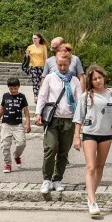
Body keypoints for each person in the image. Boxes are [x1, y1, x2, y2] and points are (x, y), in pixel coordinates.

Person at [73, 65, 112, 216]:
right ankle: (93, 201)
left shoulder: (111, 96)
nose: (97, 80)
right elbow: (78, 118)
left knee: (100, 166)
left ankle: (90, 195)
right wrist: (77, 136)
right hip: (89, 134)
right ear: (91, 80)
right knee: (91, 166)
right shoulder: (86, 96)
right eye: (94, 79)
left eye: (99, 77)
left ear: (104, 77)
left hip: (106, 135)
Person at [35, 49, 82, 194]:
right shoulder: (50, 77)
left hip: (69, 119)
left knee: (63, 151)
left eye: (65, 65)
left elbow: (80, 101)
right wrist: (38, 113)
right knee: (51, 147)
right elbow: (42, 96)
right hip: (53, 119)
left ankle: (57, 179)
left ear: (69, 64)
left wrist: (81, 119)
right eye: (60, 65)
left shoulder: (74, 80)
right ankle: (46, 179)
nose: (62, 68)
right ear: (56, 63)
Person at [0, 77, 31, 173]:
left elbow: (26, 111)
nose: (13, 90)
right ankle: (8, 164)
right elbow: (1, 109)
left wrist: (28, 123)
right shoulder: (5, 96)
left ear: (18, 87)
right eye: (11, 88)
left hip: (18, 125)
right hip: (6, 124)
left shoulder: (22, 97)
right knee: (5, 145)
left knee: (22, 143)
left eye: (15, 88)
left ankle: (17, 155)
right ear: (8, 88)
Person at [26, 33, 48, 102]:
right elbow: (26, 57)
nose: (34, 39)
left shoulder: (43, 47)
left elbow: (45, 58)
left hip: (41, 66)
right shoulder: (30, 47)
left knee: (41, 82)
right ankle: (35, 96)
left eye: (35, 38)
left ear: (39, 39)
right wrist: (26, 55)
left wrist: (46, 67)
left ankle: (41, 95)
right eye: (33, 38)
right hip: (33, 66)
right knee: (35, 81)